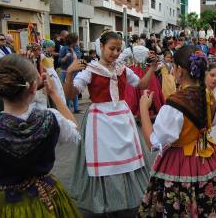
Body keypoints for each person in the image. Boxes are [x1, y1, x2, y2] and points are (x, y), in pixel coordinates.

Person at [65, 31, 155, 216]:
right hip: (100, 119)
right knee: (103, 159)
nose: (115, 53)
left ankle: (123, 199)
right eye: (111, 48)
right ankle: (103, 201)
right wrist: (69, 74)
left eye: (118, 49)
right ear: (101, 47)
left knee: (126, 155)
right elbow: (70, 94)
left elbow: (141, 85)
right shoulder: (90, 70)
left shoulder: (122, 68)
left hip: (122, 117)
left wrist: (152, 68)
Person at [137, 46, 216, 217]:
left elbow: (153, 143)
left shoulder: (175, 103)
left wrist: (143, 108)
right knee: (206, 202)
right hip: (207, 157)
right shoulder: (207, 95)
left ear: (179, 70)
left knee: (181, 204)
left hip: (180, 162)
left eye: (173, 66)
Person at [0, 54, 81, 217]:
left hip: (1, 204)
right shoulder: (50, 118)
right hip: (45, 199)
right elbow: (74, 130)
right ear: (33, 87)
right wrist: (53, 94)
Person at [118, 34, 164, 118]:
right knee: (149, 88)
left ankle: (135, 111)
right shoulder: (146, 49)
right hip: (145, 70)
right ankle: (148, 110)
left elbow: (119, 60)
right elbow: (157, 58)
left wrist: (125, 65)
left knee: (132, 92)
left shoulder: (129, 50)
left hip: (134, 69)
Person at [59, 33, 82, 113]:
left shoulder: (76, 48)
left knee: (75, 89)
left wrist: (72, 50)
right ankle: (67, 109)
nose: (77, 42)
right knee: (67, 90)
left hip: (75, 72)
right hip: (65, 71)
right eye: (76, 40)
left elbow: (78, 58)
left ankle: (76, 108)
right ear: (73, 41)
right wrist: (65, 57)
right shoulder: (64, 48)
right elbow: (59, 61)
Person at [42, 40, 66, 104]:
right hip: (48, 75)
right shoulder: (42, 55)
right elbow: (40, 65)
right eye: (52, 47)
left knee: (59, 89)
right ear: (48, 47)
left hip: (54, 74)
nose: (53, 48)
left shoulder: (49, 55)